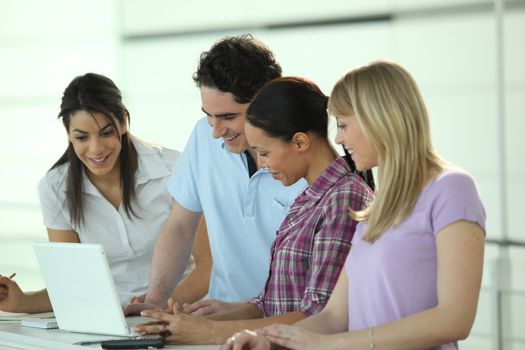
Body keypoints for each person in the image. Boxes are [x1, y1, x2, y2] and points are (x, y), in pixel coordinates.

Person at [223, 61, 486, 350]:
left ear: (378, 118)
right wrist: (267, 340)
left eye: (344, 124)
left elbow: (454, 319)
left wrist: (337, 344)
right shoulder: (375, 210)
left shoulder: (451, 188)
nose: (338, 138)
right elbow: (334, 316)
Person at [135, 77, 375, 344]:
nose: (261, 164)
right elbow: (273, 300)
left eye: (265, 152)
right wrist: (190, 324)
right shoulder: (309, 197)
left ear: (299, 143)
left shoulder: (344, 199)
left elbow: (318, 315)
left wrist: (208, 332)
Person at [124, 35, 307, 316]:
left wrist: (244, 311)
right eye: (209, 115)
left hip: (289, 322)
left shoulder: (305, 159)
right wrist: (157, 298)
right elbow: (180, 227)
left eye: (228, 117)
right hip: (216, 318)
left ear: (267, 102)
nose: (216, 130)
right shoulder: (202, 136)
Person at [0, 73, 211, 313]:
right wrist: (21, 302)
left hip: (180, 312)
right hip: (107, 320)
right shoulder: (56, 188)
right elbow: (72, 286)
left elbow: (207, 267)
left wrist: (156, 306)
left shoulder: (174, 169)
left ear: (123, 122)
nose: (96, 149)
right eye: (81, 137)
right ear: (68, 133)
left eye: (106, 133)